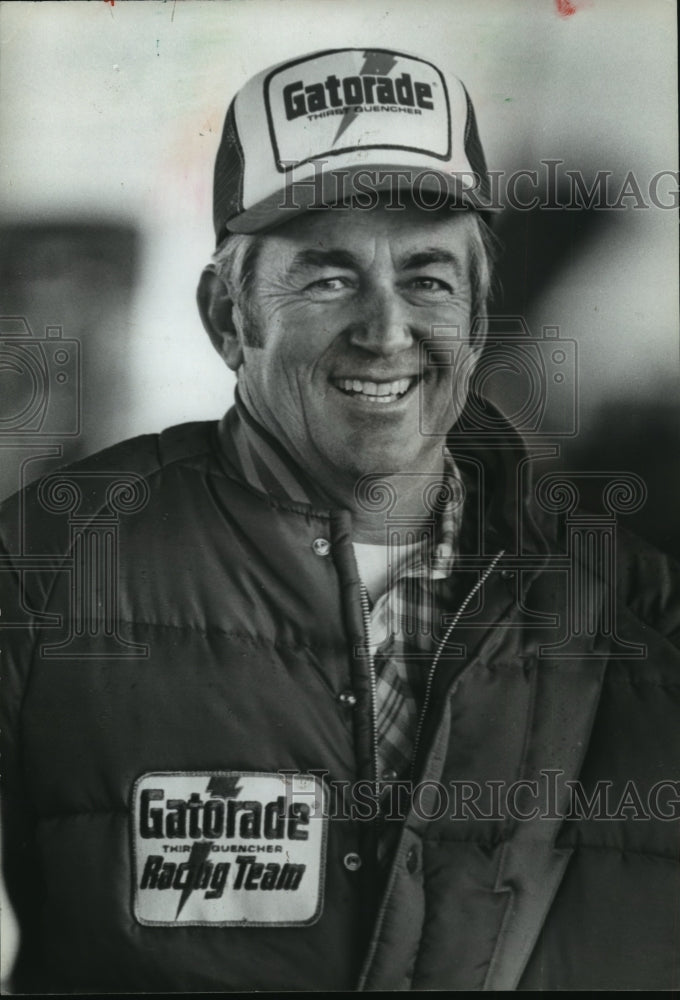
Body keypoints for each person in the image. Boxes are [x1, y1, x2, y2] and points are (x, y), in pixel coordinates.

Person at [1, 46, 679, 993]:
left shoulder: (637, 609)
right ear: (227, 317)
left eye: (429, 279)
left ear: (478, 321)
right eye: (327, 278)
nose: (387, 329)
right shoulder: (43, 564)